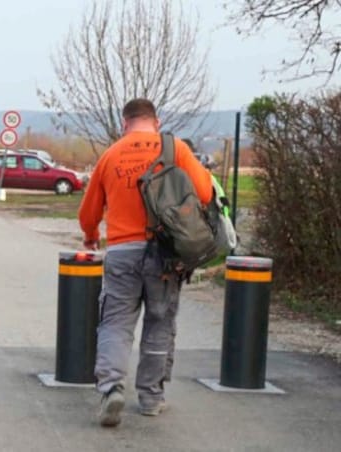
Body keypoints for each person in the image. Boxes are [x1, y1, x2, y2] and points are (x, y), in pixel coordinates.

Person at [78, 99, 212, 427]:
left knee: (115, 323)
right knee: (159, 322)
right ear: (156, 120)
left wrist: (92, 234)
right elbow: (206, 193)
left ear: (124, 123)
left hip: (123, 252)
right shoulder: (175, 149)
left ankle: (111, 389)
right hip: (164, 253)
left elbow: (88, 213)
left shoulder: (111, 155)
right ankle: (151, 398)